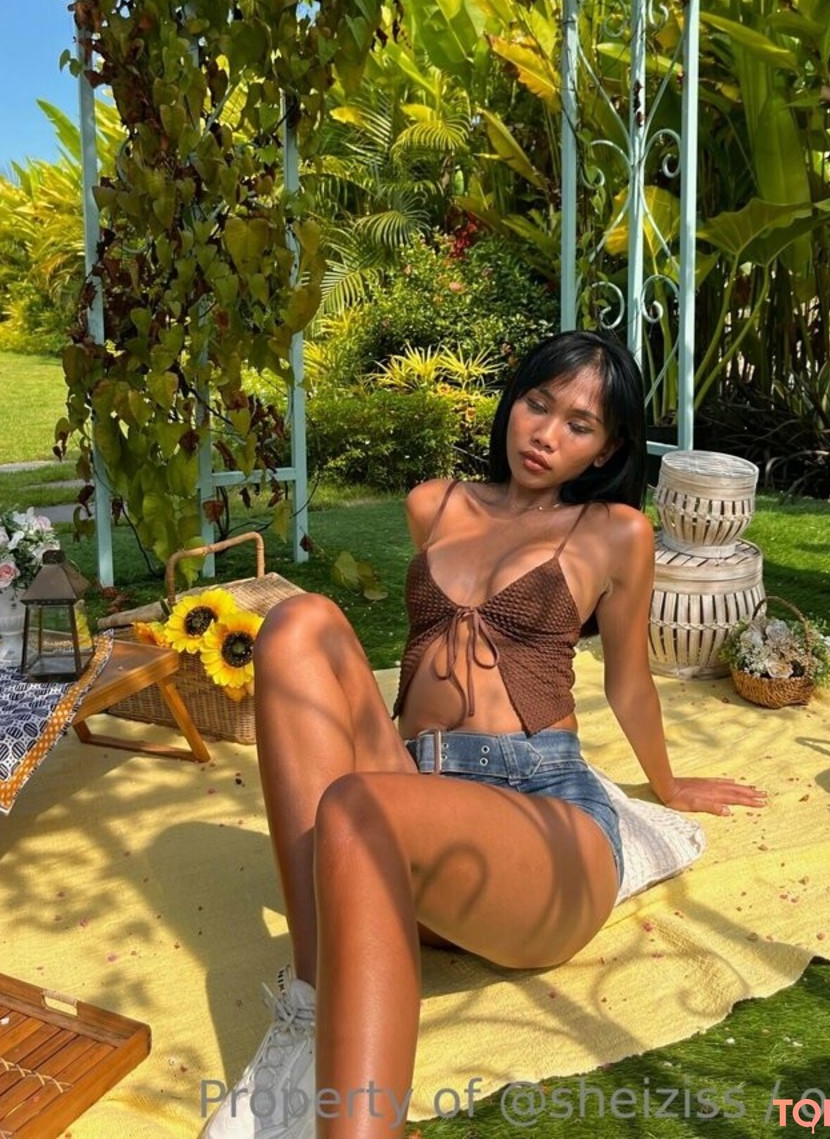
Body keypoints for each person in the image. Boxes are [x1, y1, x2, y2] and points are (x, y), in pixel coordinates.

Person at [203, 330, 766, 1139]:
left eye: (579, 424)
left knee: (358, 805)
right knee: (297, 622)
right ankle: (312, 1001)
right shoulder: (435, 504)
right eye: (539, 403)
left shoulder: (615, 532)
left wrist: (669, 786)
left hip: (543, 815)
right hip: (415, 790)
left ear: (608, 448)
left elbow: (629, 681)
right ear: (515, 399)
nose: (546, 433)